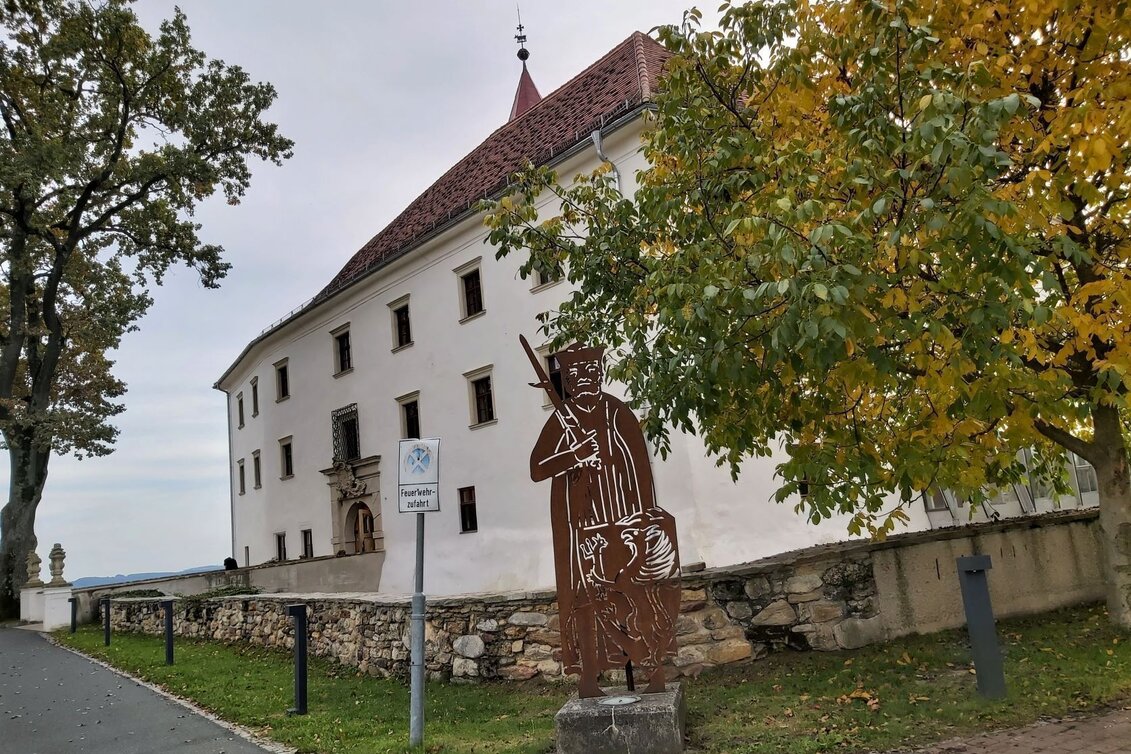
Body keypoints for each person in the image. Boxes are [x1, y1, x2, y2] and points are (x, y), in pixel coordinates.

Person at [529, 342, 680, 698]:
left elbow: (642, 469)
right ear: (566, 378)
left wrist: (643, 519)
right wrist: (572, 455)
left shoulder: (618, 412)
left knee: (638, 593)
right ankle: (589, 679)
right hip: (583, 525)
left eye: (592, 372)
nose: (586, 380)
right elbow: (537, 468)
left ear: (602, 373)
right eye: (576, 374)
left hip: (625, 521)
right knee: (586, 599)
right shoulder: (560, 420)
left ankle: (652, 671)